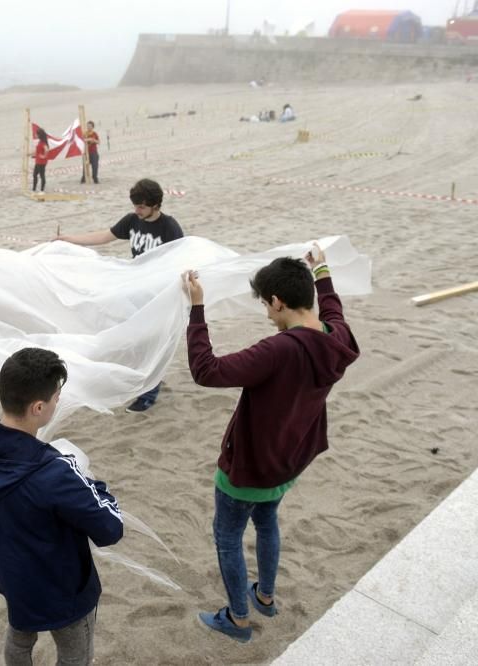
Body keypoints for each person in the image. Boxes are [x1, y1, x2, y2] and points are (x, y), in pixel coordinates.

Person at [183, 244, 359, 643]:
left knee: (227, 536)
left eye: (265, 305)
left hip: (250, 467)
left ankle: (239, 619)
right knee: (266, 521)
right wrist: (322, 272)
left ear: (278, 302)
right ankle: (264, 595)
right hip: (290, 460)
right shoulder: (337, 338)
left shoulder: (278, 349)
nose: (265, 313)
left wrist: (196, 309)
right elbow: (333, 310)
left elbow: (206, 371)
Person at [0, 348, 123, 666]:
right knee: (75, 653)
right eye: (55, 397)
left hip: (9, 574)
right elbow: (110, 528)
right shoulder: (52, 472)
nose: (58, 401)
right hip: (60, 586)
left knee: (19, 638)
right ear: (37, 407)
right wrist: (87, 478)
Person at [57, 178, 184, 412]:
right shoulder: (132, 220)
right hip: (137, 289)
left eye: (142, 206)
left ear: (156, 205)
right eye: (135, 205)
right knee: (137, 340)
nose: (137, 210)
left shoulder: (169, 227)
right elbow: (105, 236)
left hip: (159, 293)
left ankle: (149, 391)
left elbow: (181, 258)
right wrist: (70, 240)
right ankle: (150, 378)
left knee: (151, 340)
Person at [32, 128, 49, 192]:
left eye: (36, 134)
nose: (35, 134)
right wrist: (30, 154)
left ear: (39, 135)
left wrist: (44, 156)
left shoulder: (43, 142)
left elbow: (47, 150)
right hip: (38, 161)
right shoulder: (40, 142)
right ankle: (34, 189)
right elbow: (37, 151)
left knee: (42, 175)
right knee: (34, 174)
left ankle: (42, 190)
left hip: (41, 162)